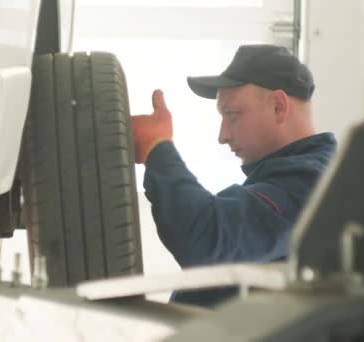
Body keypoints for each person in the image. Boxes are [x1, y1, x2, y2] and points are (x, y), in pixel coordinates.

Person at [130, 44, 337, 307]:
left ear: (278, 107)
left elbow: (205, 239)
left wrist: (156, 148)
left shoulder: (309, 185)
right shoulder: (292, 178)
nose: (223, 135)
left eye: (232, 115)